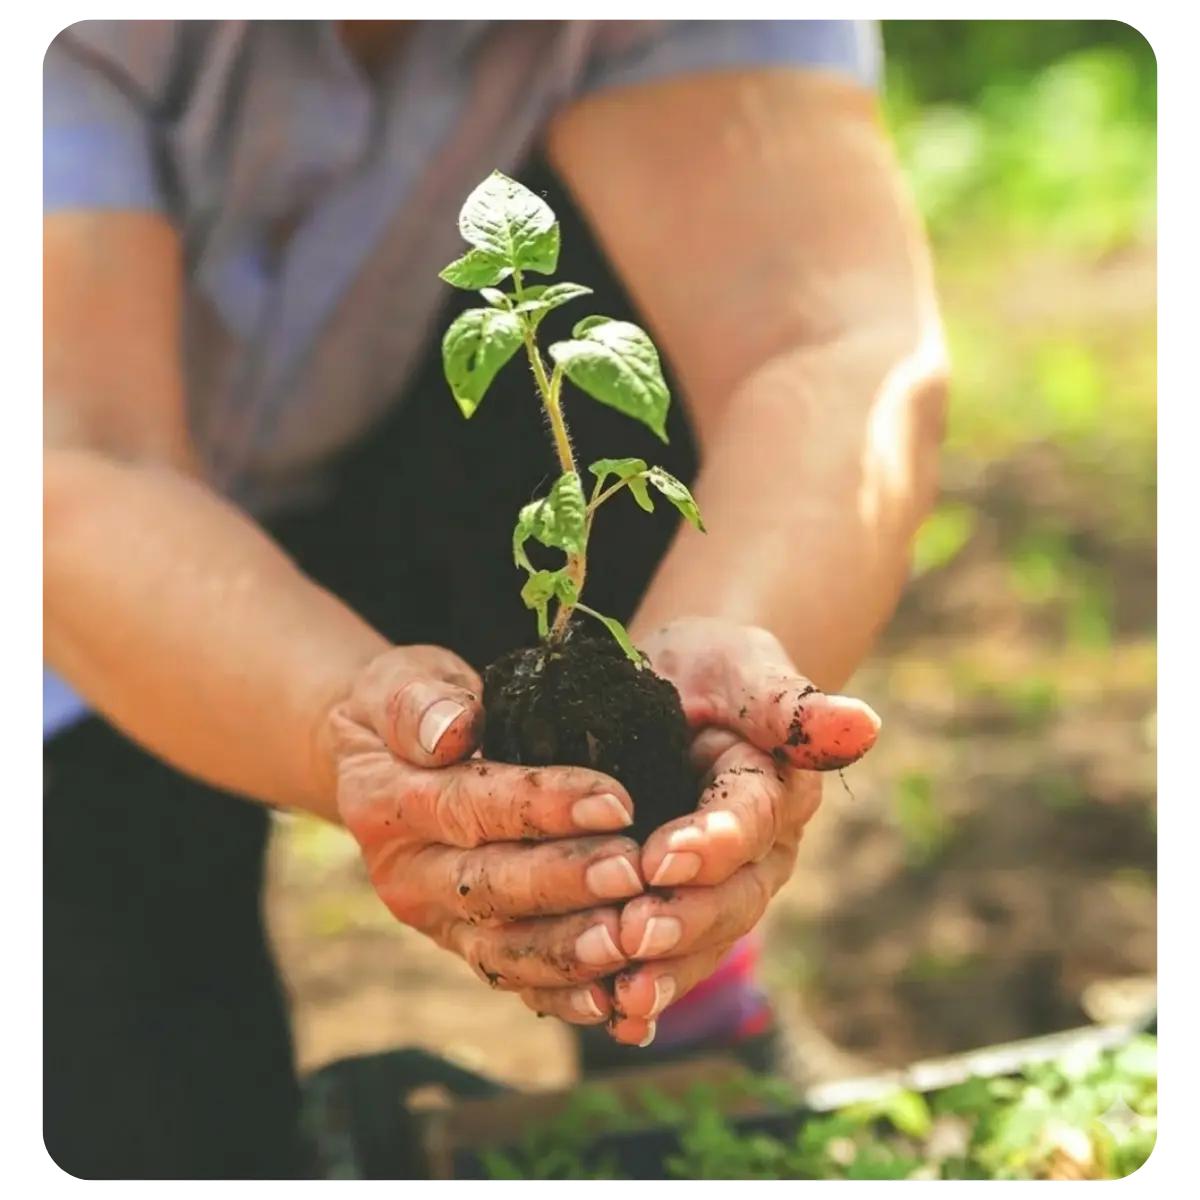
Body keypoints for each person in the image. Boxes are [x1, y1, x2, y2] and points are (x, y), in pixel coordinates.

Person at [41, 16, 947, 1181]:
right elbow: (81, 458)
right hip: (73, 575)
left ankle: (677, 972)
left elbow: (826, 342)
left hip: (354, 464)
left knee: (626, 302)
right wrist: (337, 725)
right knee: (155, 1131)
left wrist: (734, 653)